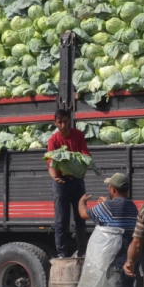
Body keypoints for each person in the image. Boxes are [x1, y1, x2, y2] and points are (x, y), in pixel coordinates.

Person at [78, 173, 140, 287]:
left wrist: (82, 202)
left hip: (116, 264)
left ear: (112, 189)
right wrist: (107, 203)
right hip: (130, 262)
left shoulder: (109, 206)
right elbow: (117, 218)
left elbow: (83, 214)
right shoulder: (132, 207)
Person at [47, 109, 91, 258]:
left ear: (69, 121)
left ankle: (83, 252)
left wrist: (81, 161)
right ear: (55, 122)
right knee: (61, 220)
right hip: (61, 183)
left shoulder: (78, 135)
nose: (63, 125)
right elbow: (50, 161)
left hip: (76, 180)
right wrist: (54, 176)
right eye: (60, 122)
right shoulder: (53, 140)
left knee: (80, 218)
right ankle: (61, 254)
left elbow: (85, 154)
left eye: (65, 121)